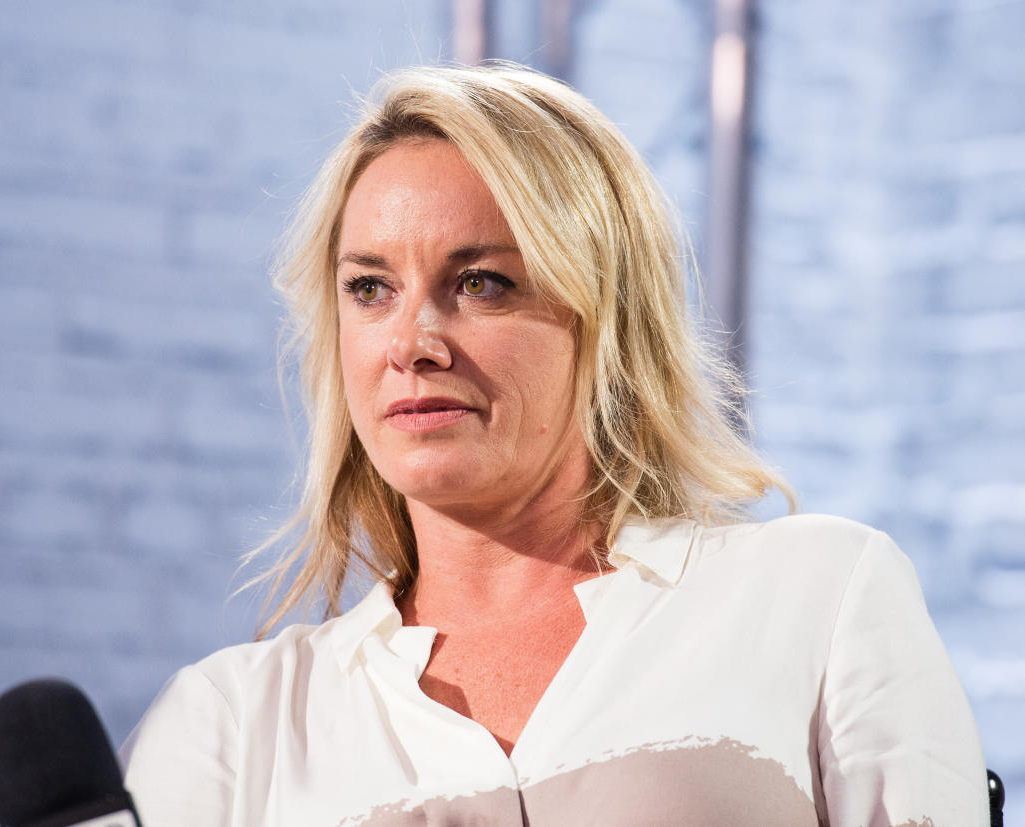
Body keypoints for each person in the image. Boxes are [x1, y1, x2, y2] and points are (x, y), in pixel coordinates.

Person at [120, 63, 988, 826]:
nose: (411, 340)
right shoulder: (230, 726)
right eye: (371, 287)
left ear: (606, 315)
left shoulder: (818, 600)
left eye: (481, 282)